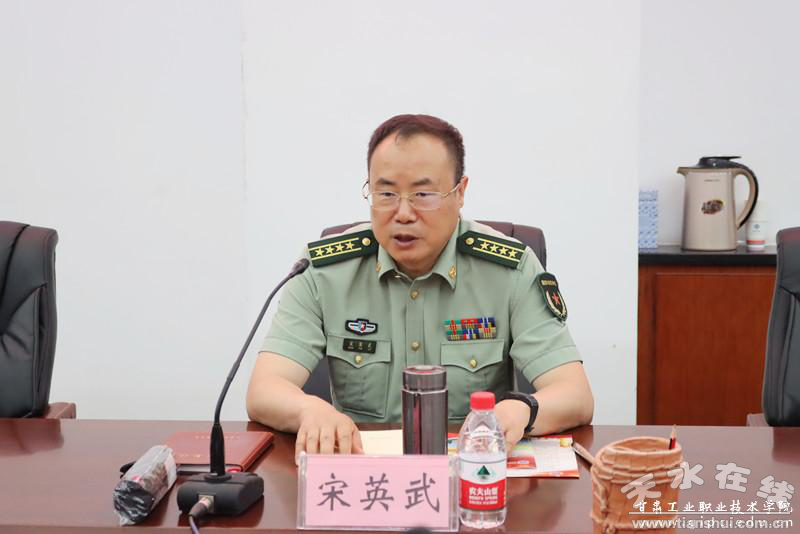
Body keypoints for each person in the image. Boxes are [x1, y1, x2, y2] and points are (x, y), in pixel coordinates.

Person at [246, 114, 593, 459]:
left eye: (423, 194)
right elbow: (264, 388)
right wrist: (308, 409)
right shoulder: (323, 271)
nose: (403, 213)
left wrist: (522, 410)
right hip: (364, 476)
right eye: (386, 193)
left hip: (471, 474)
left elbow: (575, 395)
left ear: (460, 193)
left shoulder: (509, 270)